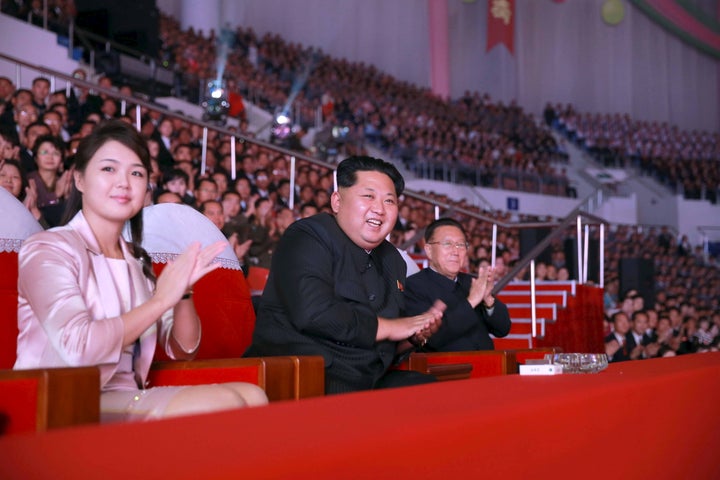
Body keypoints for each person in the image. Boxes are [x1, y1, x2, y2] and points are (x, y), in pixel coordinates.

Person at [14, 120, 267, 422]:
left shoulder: (137, 261)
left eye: (136, 172)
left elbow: (182, 349)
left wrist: (184, 292)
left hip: (123, 394)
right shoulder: (47, 248)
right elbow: (78, 348)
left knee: (255, 395)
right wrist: (160, 301)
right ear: (79, 179)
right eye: (109, 169)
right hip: (58, 397)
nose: (124, 182)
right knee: (223, 402)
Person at [245, 156, 445, 394]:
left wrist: (412, 335)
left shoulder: (393, 259)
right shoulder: (308, 235)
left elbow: (383, 344)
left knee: (433, 395)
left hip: (367, 380)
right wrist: (392, 328)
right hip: (304, 379)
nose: (380, 209)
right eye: (368, 196)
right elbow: (314, 313)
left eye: (389, 201)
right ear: (337, 201)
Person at [404, 218, 511, 351]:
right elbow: (432, 340)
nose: (455, 251)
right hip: (448, 368)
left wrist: (488, 299)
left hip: (491, 363)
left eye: (460, 245)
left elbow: (503, 329)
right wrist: (471, 301)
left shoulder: (471, 282)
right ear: (429, 250)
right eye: (447, 244)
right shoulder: (413, 286)